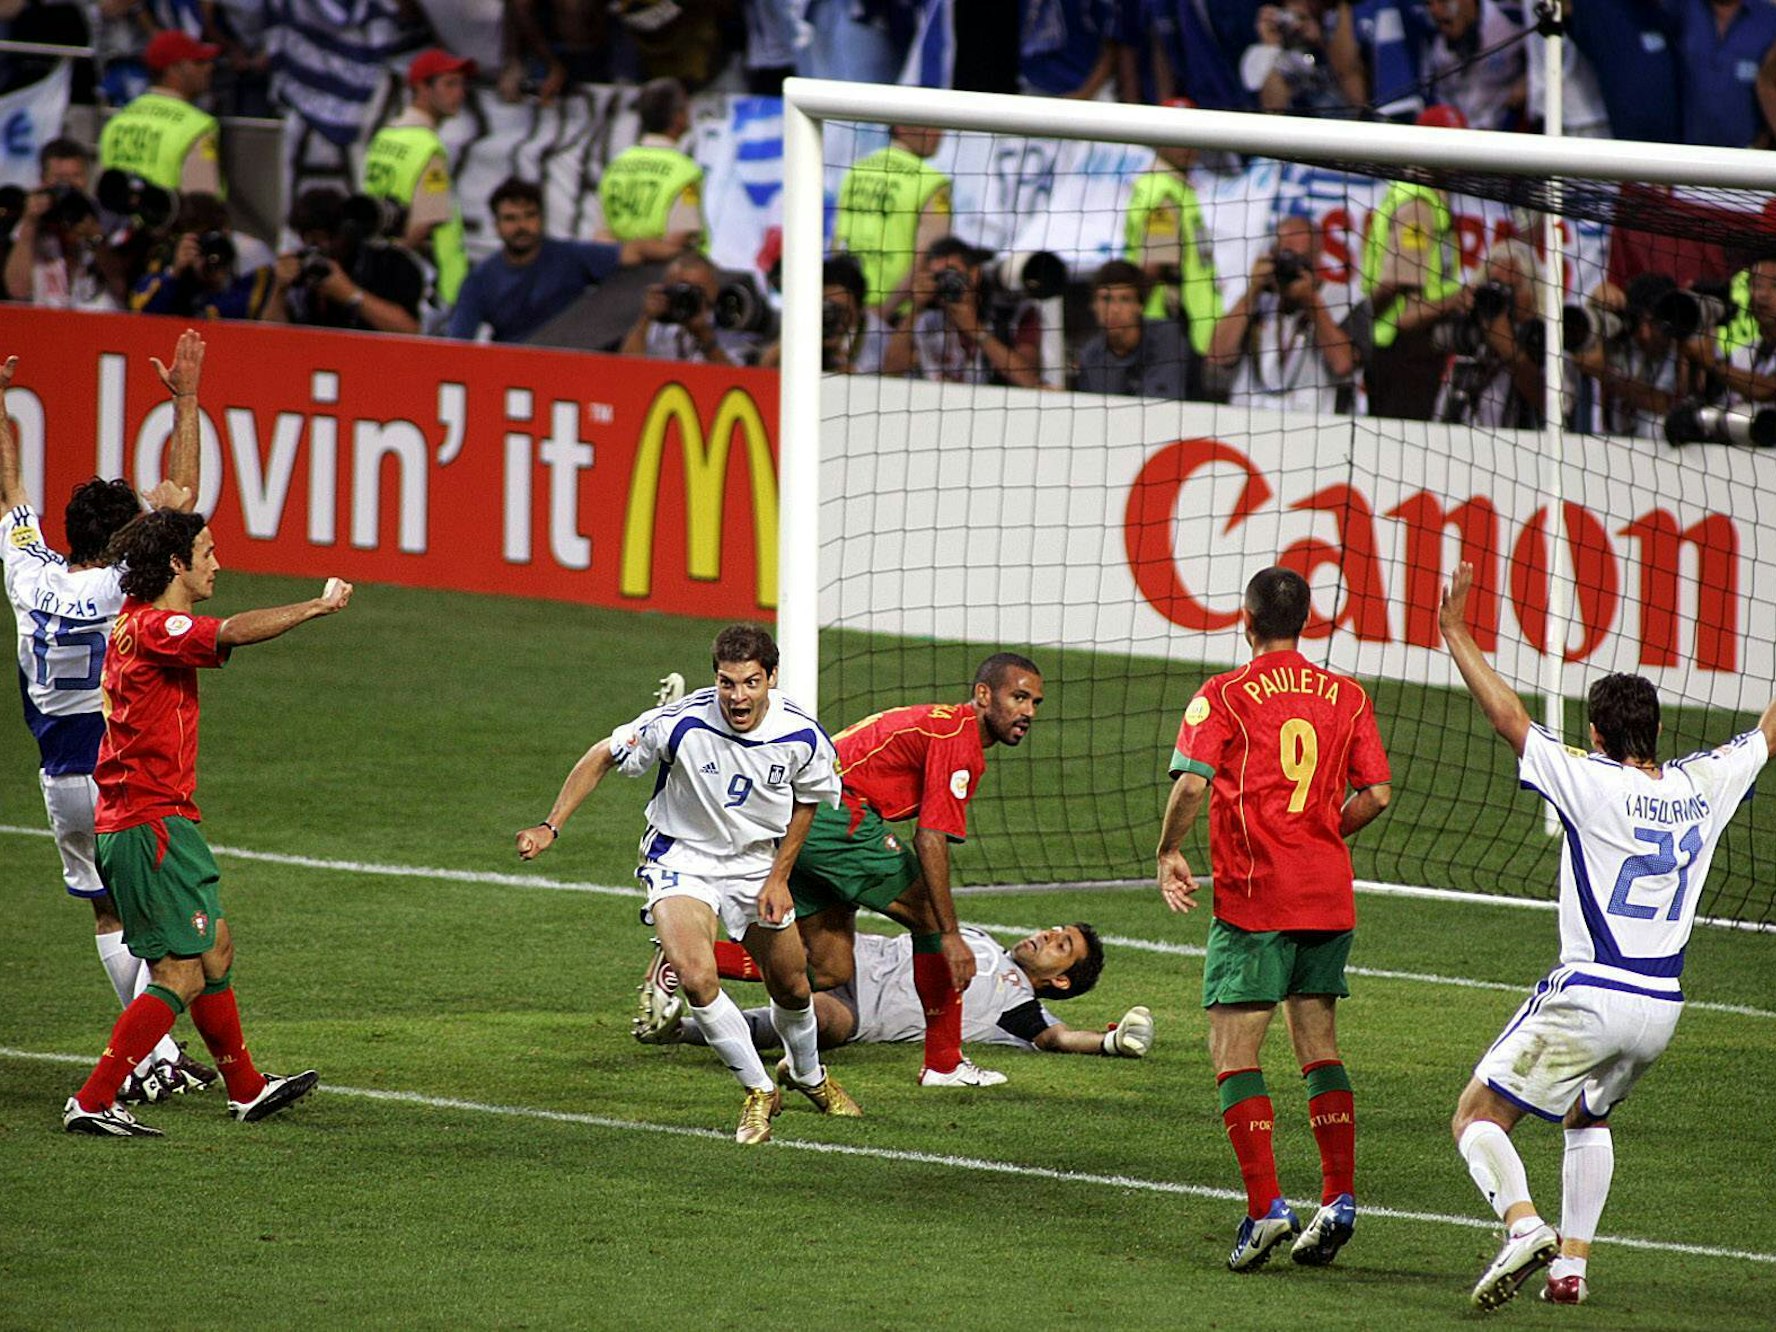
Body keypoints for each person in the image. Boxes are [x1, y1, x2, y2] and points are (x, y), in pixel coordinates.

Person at [1437, 560, 1775, 1309]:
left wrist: (1454, 629)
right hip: (1662, 1008)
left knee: (1477, 1115)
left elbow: (1509, 719)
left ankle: (1523, 1225)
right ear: (1656, 731)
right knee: (1588, 1112)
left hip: (1594, 992)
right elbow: (1766, 734)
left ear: (1595, 733)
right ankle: (1572, 1270)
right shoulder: (1700, 784)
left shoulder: (1589, 779)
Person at [60, 444, 354, 1138]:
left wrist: (169, 503)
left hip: (152, 820)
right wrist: (314, 606)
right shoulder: (156, 628)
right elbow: (232, 632)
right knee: (180, 972)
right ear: (176, 566)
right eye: (208, 552)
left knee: (214, 947)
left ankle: (246, 1087)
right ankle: (95, 1098)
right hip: (148, 824)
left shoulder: (137, 618)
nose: (218, 564)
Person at [514, 624, 861, 1145]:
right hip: (681, 858)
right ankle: (759, 1090)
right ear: (714, 679)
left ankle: (808, 1075)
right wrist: (550, 825)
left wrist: (779, 877)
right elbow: (602, 754)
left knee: (792, 985)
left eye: (749, 683)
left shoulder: (803, 735)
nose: (737, 697)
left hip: (753, 864)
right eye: (726, 683)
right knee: (696, 977)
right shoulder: (679, 720)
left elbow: (807, 803)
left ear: (771, 678)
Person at [1156, 566, 1392, 1271]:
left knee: (1235, 1054)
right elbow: (1377, 793)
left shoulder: (1224, 694)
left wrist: (1169, 849)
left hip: (1257, 899)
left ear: (1246, 620)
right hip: (1328, 895)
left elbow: (1193, 782)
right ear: (1307, 622)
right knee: (1318, 1045)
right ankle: (1339, 1197)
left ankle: (1265, 1209)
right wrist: (1322, 836)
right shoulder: (1347, 696)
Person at [3, 332, 216, 1109]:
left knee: (105, 909)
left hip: (59, 775)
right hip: (122, 768)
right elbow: (185, 495)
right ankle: (151, 1055)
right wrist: (185, 401)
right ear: (128, 538)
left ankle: (155, 1051)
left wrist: (0, 404)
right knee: (163, 923)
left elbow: (8, 493)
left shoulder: (29, 573)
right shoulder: (127, 586)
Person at [783, 653, 1045, 1087]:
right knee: (929, 918)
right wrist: (950, 933)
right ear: (983, 695)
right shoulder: (959, 738)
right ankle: (944, 1064)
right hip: (835, 815)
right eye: (1018, 697)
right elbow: (930, 838)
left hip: (799, 814)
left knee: (830, 970)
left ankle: (688, 963)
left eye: (1035, 703)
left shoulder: (943, 725)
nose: (1028, 712)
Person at [637, 923, 1158, 1062]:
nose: (1045, 935)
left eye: (1060, 944)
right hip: (851, 954)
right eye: (1053, 930)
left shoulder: (1018, 1005)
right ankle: (682, 953)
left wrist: (1109, 1041)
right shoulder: (977, 940)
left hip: (856, 1013)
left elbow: (1057, 1039)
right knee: (793, 955)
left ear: (1061, 979)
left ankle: (675, 1028)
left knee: (813, 1021)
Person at [447, 176, 693, 343]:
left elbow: (634, 252)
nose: (522, 226)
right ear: (496, 226)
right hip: (513, 370)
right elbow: (457, 343)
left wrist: (682, 257)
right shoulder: (480, 280)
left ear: (541, 218)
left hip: (572, 363)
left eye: (529, 216)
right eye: (511, 219)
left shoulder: (570, 256)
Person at [1360, 106, 1468, 422]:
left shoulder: (1415, 195)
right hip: (1405, 352)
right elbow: (1405, 310)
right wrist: (1459, 298)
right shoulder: (1419, 205)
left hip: (1404, 352)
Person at [1205, 214, 1356, 414]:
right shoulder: (1256, 299)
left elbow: (1343, 365)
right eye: (1282, 255)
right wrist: (1253, 291)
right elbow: (1217, 355)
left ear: (1317, 259)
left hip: (1312, 425)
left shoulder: (1343, 300)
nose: (1289, 266)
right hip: (1245, 421)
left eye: (1298, 258)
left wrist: (1311, 302)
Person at [360, 47, 472, 306]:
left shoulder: (384, 136)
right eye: (450, 84)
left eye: (461, 84)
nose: (460, 93)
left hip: (380, 272)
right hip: (429, 283)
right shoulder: (428, 147)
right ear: (422, 88)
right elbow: (424, 222)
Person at [1123, 120, 1224, 376]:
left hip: (1189, 330)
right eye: (1177, 137)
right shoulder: (1164, 194)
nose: (1187, 147)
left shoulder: (1178, 187)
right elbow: (1155, 263)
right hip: (1171, 329)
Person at [880, 237, 1044, 387]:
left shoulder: (1011, 313)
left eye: (951, 272)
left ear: (974, 274)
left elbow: (1029, 380)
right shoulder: (924, 317)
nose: (946, 281)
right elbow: (890, 371)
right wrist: (916, 307)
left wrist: (976, 330)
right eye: (938, 276)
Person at [262, 187, 427, 334]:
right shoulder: (302, 264)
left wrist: (349, 294)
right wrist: (279, 289)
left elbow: (410, 330)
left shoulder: (387, 264)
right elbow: (269, 339)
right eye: (311, 241)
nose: (320, 250)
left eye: (326, 239)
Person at [832, 124, 951, 316]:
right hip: (897, 314)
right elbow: (930, 256)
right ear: (902, 127)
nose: (941, 134)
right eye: (931, 126)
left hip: (849, 307)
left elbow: (838, 243)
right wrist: (883, 313)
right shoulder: (933, 183)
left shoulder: (855, 171)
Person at [98, 30, 226, 197]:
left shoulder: (118, 120)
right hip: (173, 221)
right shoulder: (196, 126)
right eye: (198, 62)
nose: (209, 67)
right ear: (174, 69)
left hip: (123, 222)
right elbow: (202, 202)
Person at [596, 78, 708, 248]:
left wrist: (627, 253)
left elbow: (601, 235)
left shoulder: (615, 166)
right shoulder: (686, 173)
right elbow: (679, 236)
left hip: (619, 269)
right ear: (678, 117)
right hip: (667, 269)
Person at [1074, 259, 1190, 398]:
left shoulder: (1168, 338)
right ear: (1093, 305)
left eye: (1125, 299)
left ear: (1140, 306)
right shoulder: (1091, 355)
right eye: (1106, 299)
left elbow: (1161, 405)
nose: (1114, 309)